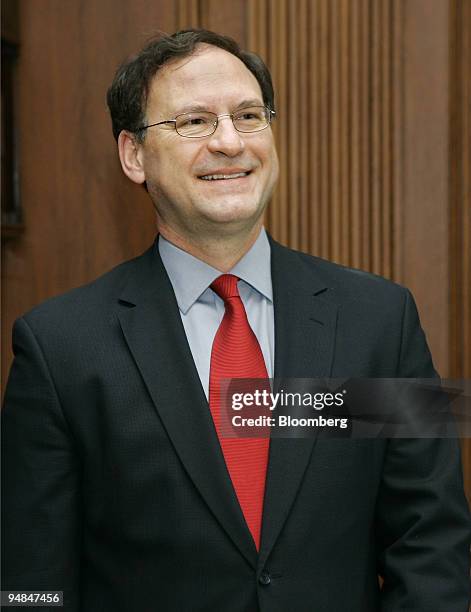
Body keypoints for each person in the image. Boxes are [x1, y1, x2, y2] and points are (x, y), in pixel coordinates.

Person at [2, 28, 470, 612]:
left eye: (249, 115)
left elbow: (432, 539)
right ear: (133, 155)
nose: (230, 142)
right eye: (194, 122)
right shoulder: (58, 347)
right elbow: (30, 585)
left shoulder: (383, 319)